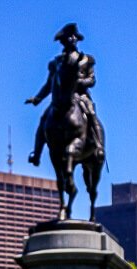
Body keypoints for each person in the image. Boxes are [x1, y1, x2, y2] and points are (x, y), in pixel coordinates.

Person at [25, 23, 105, 167]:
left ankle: (99, 147)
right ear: (64, 40)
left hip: (80, 95)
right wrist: (37, 98)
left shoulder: (87, 59)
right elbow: (49, 84)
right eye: (69, 36)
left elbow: (92, 80)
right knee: (44, 119)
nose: (72, 39)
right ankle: (36, 154)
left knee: (91, 113)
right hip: (61, 97)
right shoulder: (56, 62)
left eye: (74, 36)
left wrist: (79, 82)